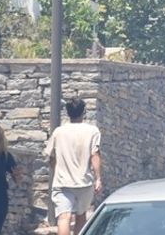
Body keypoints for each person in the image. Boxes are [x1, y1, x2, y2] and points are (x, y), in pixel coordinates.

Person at [44, 97, 103, 235]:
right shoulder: (92, 131)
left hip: (62, 182)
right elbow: (95, 154)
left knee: (64, 218)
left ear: (68, 112)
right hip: (84, 181)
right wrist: (98, 178)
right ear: (83, 112)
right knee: (81, 216)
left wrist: (57, 170)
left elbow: (51, 156)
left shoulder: (59, 132)